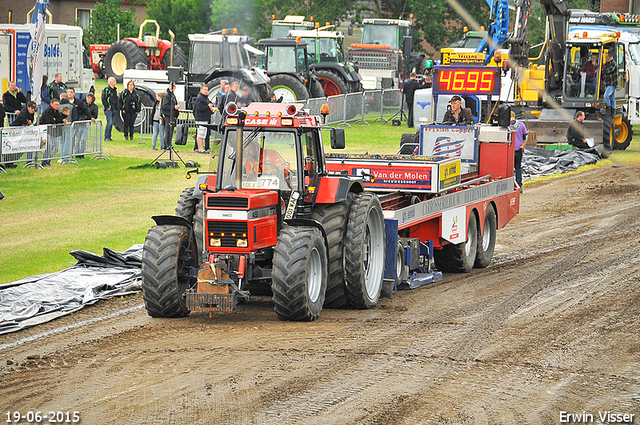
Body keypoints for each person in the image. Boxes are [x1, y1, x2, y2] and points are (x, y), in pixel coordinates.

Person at [39, 99, 66, 166]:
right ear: (51, 104)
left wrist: (56, 120)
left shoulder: (56, 111)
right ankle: (44, 161)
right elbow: (50, 121)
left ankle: (48, 159)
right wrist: (56, 120)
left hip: (53, 132)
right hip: (45, 132)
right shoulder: (48, 111)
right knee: (49, 146)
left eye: (58, 105)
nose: (57, 106)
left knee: (56, 148)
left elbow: (59, 119)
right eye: (56, 105)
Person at [509, 111, 527, 193]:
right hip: (519, 149)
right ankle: (519, 186)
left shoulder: (507, 125)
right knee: (518, 167)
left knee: (509, 168)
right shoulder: (521, 125)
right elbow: (525, 137)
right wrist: (523, 146)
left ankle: (510, 186)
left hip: (509, 149)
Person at [193, 84, 213, 153]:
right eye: (204, 90)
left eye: (207, 90)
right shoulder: (200, 98)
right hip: (201, 118)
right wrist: (208, 106)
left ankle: (200, 148)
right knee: (200, 134)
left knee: (202, 134)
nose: (206, 91)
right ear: (201, 90)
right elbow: (200, 108)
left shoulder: (205, 98)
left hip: (204, 118)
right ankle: (200, 149)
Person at [161, 82, 180, 149]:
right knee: (168, 131)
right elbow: (165, 106)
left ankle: (169, 144)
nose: (173, 89)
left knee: (171, 131)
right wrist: (173, 107)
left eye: (174, 88)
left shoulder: (173, 96)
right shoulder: (166, 96)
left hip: (172, 115)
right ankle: (166, 145)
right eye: (172, 87)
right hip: (168, 115)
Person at [102, 77, 118, 141]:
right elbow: (104, 99)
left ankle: (109, 136)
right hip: (108, 109)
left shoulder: (115, 90)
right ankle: (106, 137)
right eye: (114, 81)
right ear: (110, 82)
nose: (115, 82)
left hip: (114, 109)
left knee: (112, 123)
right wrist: (107, 107)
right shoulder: (106, 90)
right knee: (109, 122)